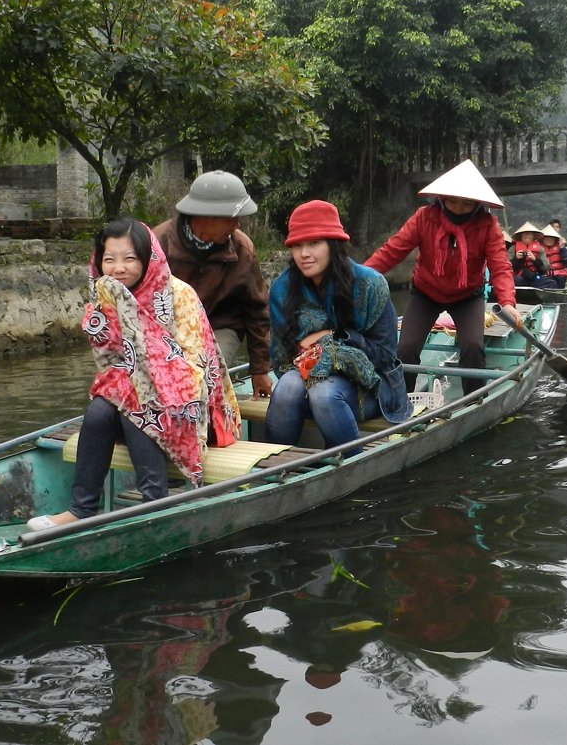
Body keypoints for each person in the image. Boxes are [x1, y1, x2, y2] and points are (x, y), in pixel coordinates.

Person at [28, 217, 241, 530]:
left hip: (190, 405)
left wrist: (142, 382)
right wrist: (132, 381)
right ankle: (81, 509)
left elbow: (195, 367)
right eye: (109, 259)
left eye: (129, 258)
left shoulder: (178, 296)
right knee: (100, 410)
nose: (118, 268)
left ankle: (154, 502)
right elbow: (110, 366)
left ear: (147, 258)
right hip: (133, 399)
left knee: (135, 404)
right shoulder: (106, 298)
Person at [265, 200, 412, 455]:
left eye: (314, 243)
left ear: (333, 245)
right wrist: (317, 364)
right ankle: (274, 471)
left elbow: (386, 356)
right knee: (287, 387)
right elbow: (281, 360)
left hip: (372, 387)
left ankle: (348, 467)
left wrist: (334, 340)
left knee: (324, 393)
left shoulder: (370, 285)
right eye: (297, 245)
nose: (304, 254)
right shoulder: (281, 290)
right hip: (307, 380)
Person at [363, 159, 519, 396]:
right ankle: (401, 400)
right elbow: (392, 251)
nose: (458, 208)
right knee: (405, 348)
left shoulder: (488, 226)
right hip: (425, 292)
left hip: (468, 295)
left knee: (473, 347)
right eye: (453, 201)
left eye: (466, 203)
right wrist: (360, 277)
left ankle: (475, 400)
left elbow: (500, 267)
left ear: (477, 203)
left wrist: (508, 303)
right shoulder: (424, 217)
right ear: (442, 198)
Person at [154, 170, 273, 399]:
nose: (236, 225)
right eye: (230, 218)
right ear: (204, 215)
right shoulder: (159, 244)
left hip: (219, 325)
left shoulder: (242, 250)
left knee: (204, 377)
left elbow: (257, 312)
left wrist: (259, 369)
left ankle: (206, 428)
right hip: (167, 331)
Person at [510, 221, 557, 288]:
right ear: (521, 235)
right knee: (516, 280)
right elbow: (507, 266)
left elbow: (545, 268)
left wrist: (535, 260)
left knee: (552, 283)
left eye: (529, 234)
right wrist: (516, 259)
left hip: (535, 277)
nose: (527, 236)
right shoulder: (513, 249)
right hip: (520, 278)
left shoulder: (540, 249)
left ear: (533, 236)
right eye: (525, 234)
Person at [539, 224, 567, 288]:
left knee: (560, 278)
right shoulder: (538, 247)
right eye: (546, 237)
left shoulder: (561, 246)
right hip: (544, 273)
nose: (549, 239)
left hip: (559, 273)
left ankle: (558, 294)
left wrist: (562, 248)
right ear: (542, 238)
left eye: (551, 237)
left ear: (555, 239)